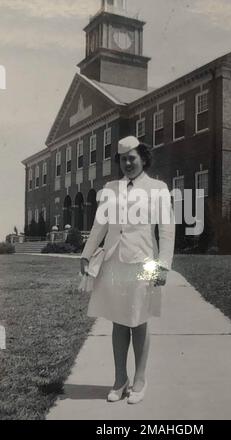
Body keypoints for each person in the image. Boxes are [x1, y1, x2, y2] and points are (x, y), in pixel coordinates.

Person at [80, 135, 175, 404]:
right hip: (114, 262)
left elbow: (167, 230)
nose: (127, 163)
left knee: (140, 320)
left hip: (146, 262)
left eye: (132, 158)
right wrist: (86, 255)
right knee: (119, 320)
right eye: (123, 159)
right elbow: (99, 225)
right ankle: (119, 380)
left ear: (143, 159)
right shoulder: (110, 188)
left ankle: (140, 380)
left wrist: (164, 266)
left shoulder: (157, 188)